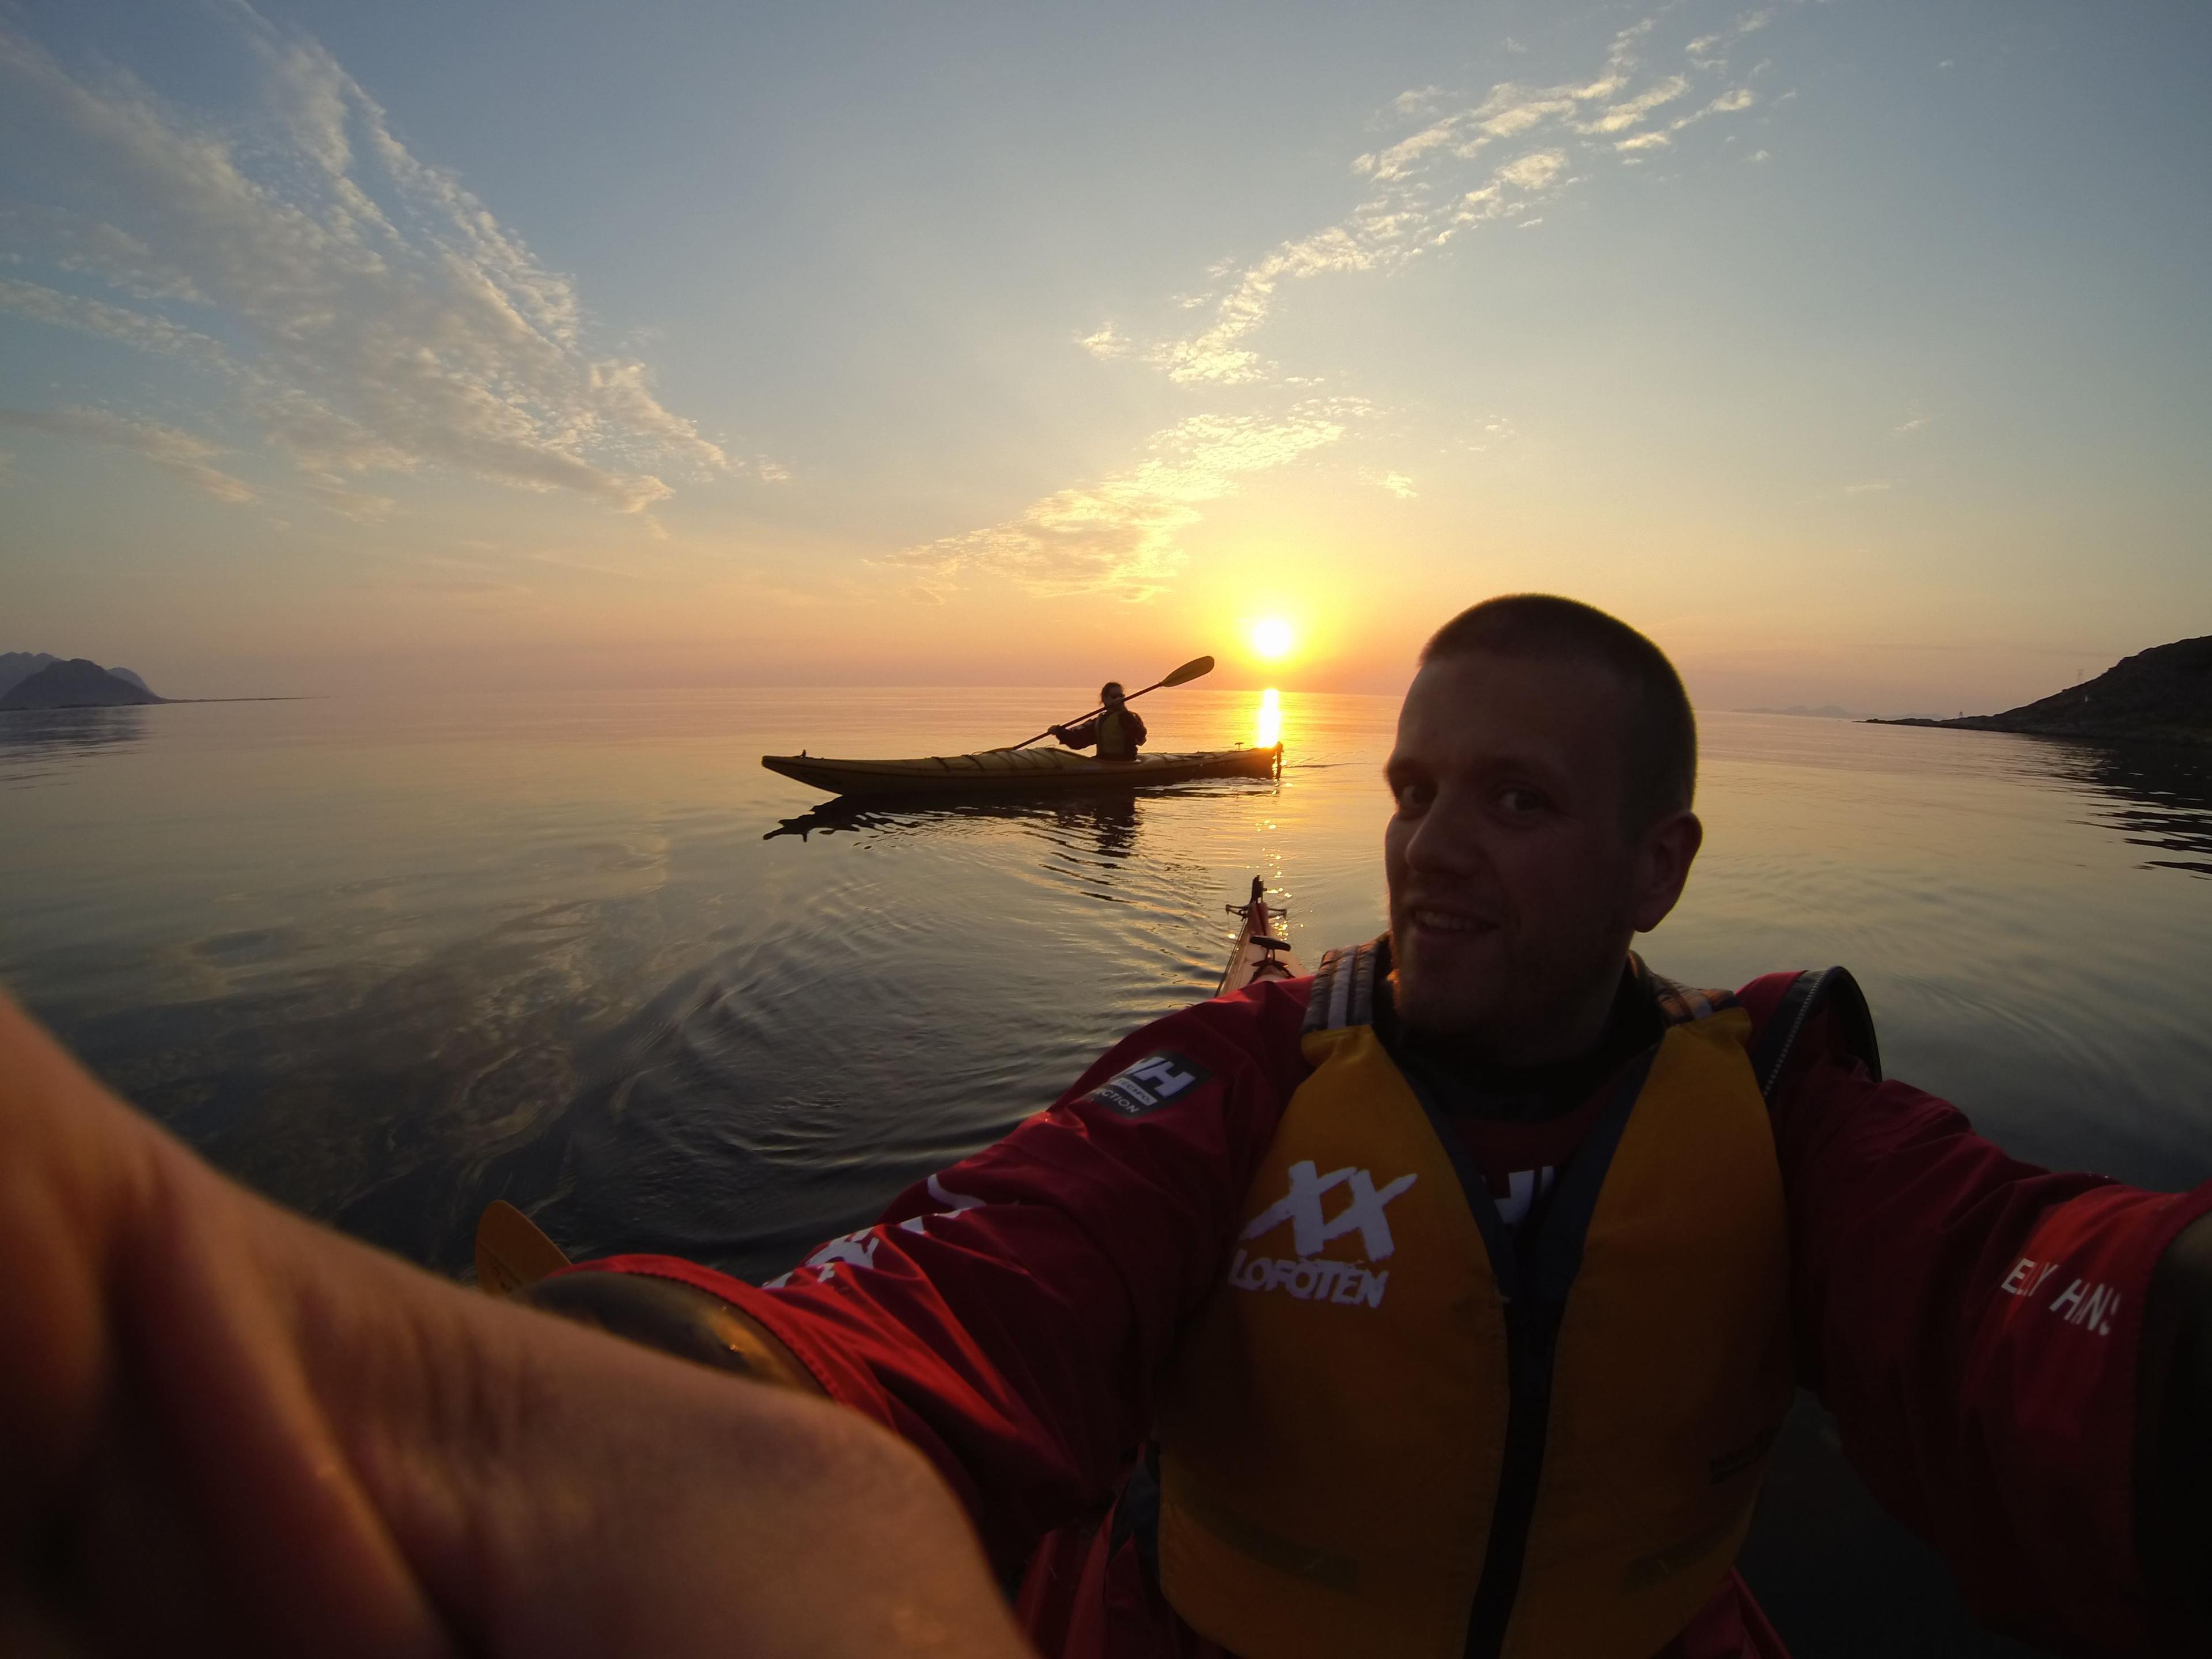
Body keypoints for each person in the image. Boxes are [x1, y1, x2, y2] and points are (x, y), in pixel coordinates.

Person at [6, 594, 2210, 1658]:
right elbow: (967, 1290)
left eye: (1516, 802)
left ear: (1664, 863)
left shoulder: (1800, 1116)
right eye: (1412, 788)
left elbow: (2043, 1294)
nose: (1432, 850)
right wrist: (641, 1410)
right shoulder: (1231, 1081)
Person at [1052, 681, 1148, 761]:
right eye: (1115, 696)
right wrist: (1060, 732)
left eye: (1121, 696)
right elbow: (1078, 740)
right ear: (1105, 699)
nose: (1119, 699)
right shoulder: (1099, 721)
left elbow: (1140, 737)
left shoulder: (1130, 718)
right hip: (1103, 761)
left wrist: (1124, 711)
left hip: (1126, 762)